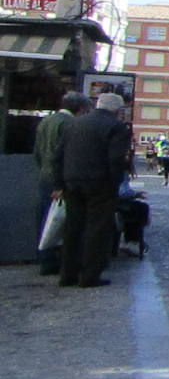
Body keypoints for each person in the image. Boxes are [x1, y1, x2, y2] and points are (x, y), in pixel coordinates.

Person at [52, 92, 131, 288]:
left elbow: (58, 156)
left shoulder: (73, 123)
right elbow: (115, 159)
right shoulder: (116, 127)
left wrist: (59, 184)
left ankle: (67, 274)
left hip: (72, 182)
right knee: (97, 229)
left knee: (73, 228)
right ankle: (90, 276)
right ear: (117, 110)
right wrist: (116, 183)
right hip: (100, 184)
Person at [34, 91, 91, 275]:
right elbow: (68, 154)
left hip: (45, 176)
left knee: (47, 218)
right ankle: (63, 260)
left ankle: (45, 258)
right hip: (63, 179)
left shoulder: (46, 121)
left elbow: (37, 152)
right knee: (65, 220)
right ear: (80, 109)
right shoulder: (71, 124)